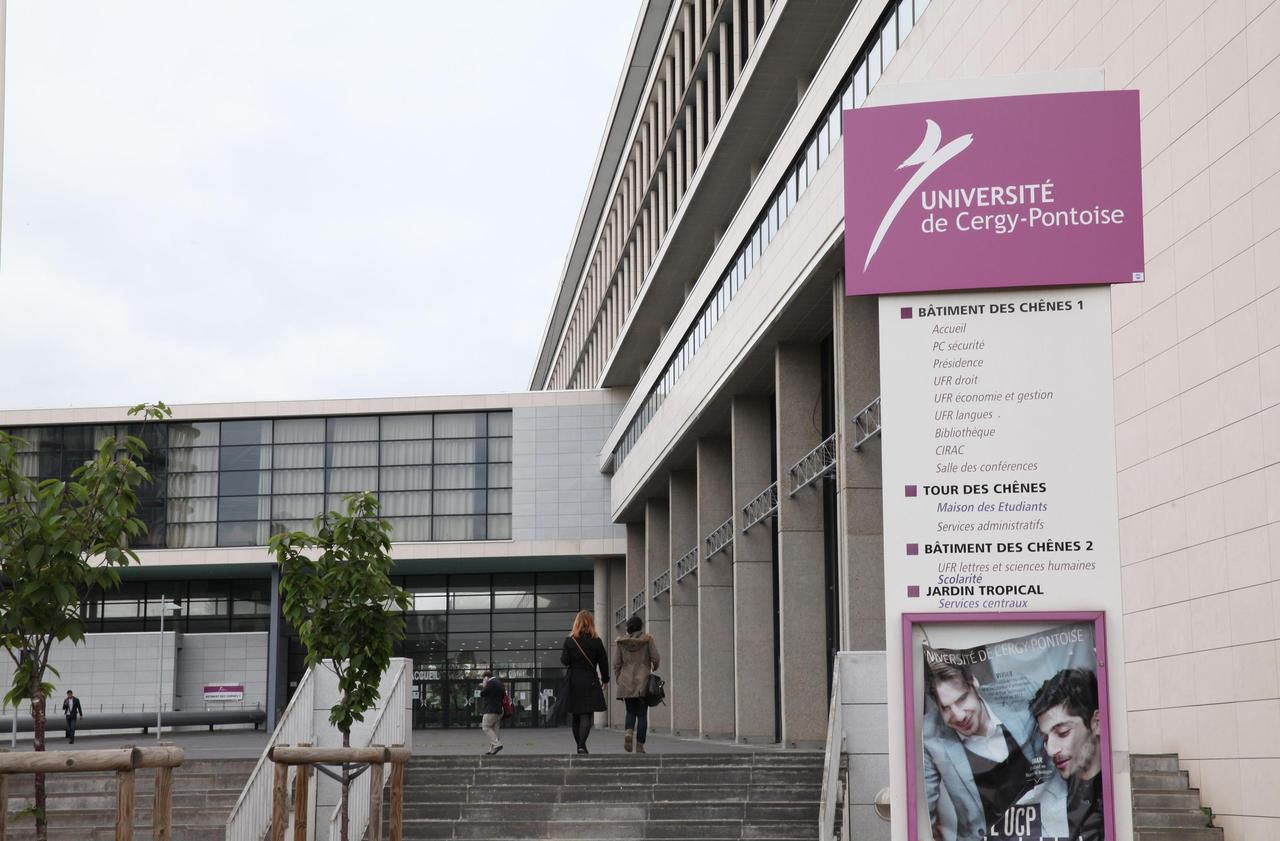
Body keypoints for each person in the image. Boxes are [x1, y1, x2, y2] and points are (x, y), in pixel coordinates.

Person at [922, 659, 1045, 841]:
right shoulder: (929, 734)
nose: (959, 715)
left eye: (962, 699)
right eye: (946, 708)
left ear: (974, 683)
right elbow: (922, 815)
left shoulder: (1018, 698)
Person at [1030, 669, 1103, 841]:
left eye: (1062, 732)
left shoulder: (1116, 792)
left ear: (1096, 723)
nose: (1051, 750)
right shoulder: (1051, 792)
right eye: (1045, 738)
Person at [559, 610, 609, 754]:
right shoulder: (596, 641)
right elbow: (603, 662)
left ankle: (579, 746)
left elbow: (564, 661)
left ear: (577, 623)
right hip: (590, 679)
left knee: (576, 714)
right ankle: (582, 745)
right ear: (591, 623)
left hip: (573, 679)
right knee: (586, 713)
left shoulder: (570, 640)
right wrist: (605, 679)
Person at [613, 614, 660, 754]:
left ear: (628, 628)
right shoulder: (647, 640)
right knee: (642, 715)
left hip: (626, 682)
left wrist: (619, 679)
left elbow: (616, 664)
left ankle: (628, 732)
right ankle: (640, 745)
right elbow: (656, 657)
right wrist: (654, 666)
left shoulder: (621, 643)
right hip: (643, 682)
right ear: (641, 627)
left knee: (630, 711)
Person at [478, 670, 505, 756]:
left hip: (491, 710)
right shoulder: (499, 683)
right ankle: (492, 750)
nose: (482, 680)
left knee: (485, 726)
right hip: (499, 710)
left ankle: (498, 744)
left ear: (486, 677)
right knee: (494, 730)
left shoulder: (490, 683)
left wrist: (484, 685)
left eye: (483, 678)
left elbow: (483, 694)